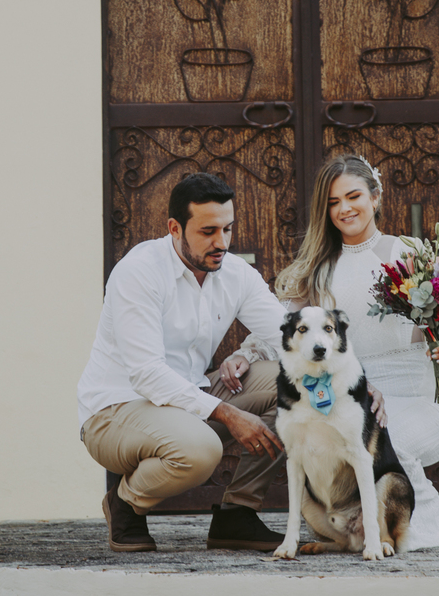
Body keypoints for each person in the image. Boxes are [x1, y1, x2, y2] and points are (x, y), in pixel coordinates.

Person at [228, 154, 439, 550]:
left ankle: (408, 534)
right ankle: (353, 533)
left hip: (423, 393)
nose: (344, 209)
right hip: (357, 394)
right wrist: (246, 354)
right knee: (344, 449)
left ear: (375, 197)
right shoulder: (318, 268)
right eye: (333, 202)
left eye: (353, 196)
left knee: (390, 445)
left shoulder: (405, 252)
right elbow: (287, 326)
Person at [76, 172, 289, 553]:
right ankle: (124, 503)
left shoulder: (234, 273)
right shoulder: (139, 272)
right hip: (114, 411)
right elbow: (146, 374)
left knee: (297, 384)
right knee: (201, 450)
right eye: (208, 231)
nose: (221, 243)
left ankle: (237, 514)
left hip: (189, 397)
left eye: (227, 229)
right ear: (175, 228)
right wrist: (228, 413)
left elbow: (290, 337)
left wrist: (357, 379)